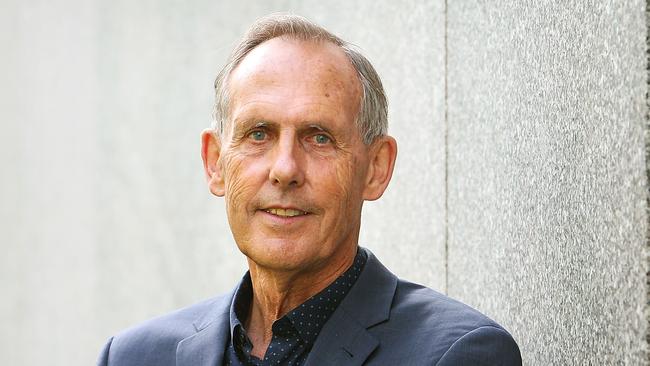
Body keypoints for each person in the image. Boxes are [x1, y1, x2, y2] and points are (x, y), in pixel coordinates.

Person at [97, 14, 522, 366]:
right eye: (258, 134)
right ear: (215, 162)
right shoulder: (133, 357)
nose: (285, 169)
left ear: (376, 168)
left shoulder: (456, 354)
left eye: (319, 137)